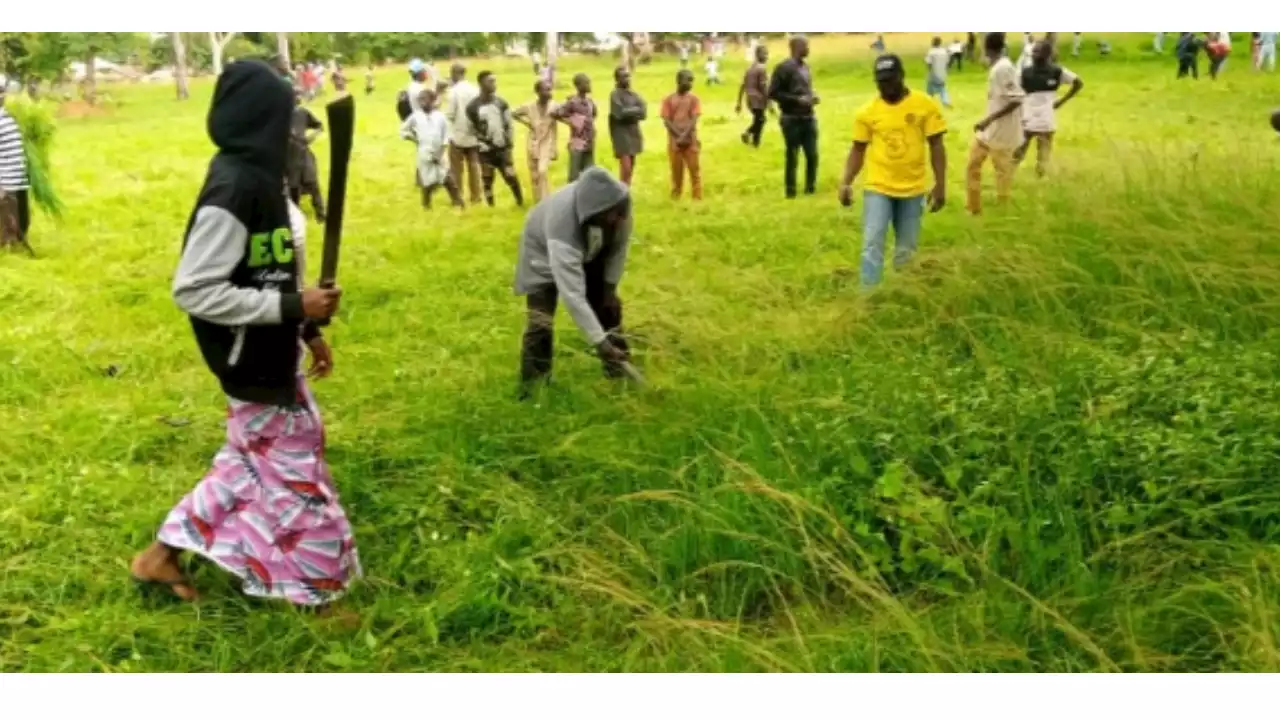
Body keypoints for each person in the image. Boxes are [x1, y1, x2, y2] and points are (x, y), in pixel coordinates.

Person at [131, 59, 359, 606]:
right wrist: (290, 305)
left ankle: (158, 558)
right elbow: (193, 289)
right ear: (260, 121)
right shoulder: (233, 190)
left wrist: (306, 328)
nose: (292, 132)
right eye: (284, 120)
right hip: (247, 358)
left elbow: (274, 270)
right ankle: (314, 589)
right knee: (297, 473)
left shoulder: (263, 180)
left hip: (271, 352)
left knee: (246, 460)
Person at [513, 166, 634, 394]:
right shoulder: (563, 225)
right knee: (541, 320)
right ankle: (533, 386)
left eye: (620, 213)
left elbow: (618, 250)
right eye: (612, 215)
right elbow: (573, 296)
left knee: (608, 307)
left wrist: (609, 288)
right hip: (542, 251)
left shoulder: (620, 206)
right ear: (595, 211)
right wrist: (599, 343)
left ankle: (619, 374)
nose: (619, 219)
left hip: (590, 246)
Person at [839, 55, 946, 288]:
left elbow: (936, 145)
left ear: (901, 76)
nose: (886, 86)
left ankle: (902, 291)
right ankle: (869, 295)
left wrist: (940, 185)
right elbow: (858, 149)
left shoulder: (925, 105)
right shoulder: (867, 113)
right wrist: (846, 181)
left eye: (890, 80)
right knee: (872, 242)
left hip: (913, 188)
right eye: (881, 82)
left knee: (906, 249)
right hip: (879, 187)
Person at [966, 32, 1024, 215]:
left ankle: (1002, 210)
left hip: (1001, 131)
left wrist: (989, 119)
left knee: (1002, 172)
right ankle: (974, 208)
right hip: (989, 131)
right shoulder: (998, 67)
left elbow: (1017, 99)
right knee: (973, 165)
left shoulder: (1003, 69)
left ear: (986, 46)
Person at [1014, 41, 1083, 177]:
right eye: (1033, 51)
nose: (1033, 54)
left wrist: (1062, 101)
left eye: (1036, 51)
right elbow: (1015, 93)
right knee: (1019, 148)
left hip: (1047, 118)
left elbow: (1078, 83)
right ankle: (1008, 174)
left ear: (1047, 54)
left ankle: (1040, 176)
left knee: (1043, 152)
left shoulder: (1057, 71)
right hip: (1027, 116)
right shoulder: (1024, 72)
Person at [769, 35, 820, 198]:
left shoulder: (805, 67)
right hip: (791, 118)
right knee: (792, 155)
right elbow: (773, 92)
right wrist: (797, 100)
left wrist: (812, 97)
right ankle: (790, 191)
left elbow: (805, 89)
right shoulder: (783, 68)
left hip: (808, 117)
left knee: (812, 155)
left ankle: (810, 188)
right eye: (806, 46)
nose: (808, 49)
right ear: (796, 47)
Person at [466, 71, 524, 208]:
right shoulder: (472, 107)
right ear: (481, 84)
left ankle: (520, 201)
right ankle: (491, 205)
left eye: (494, 81)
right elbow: (471, 128)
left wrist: (509, 145)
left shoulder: (501, 103)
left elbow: (509, 125)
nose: (494, 84)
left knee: (510, 175)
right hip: (485, 150)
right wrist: (481, 142)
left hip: (503, 148)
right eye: (490, 81)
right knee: (487, 179)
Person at [401, 88, 463, 209]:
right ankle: (426, 205)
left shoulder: (440, 117)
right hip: (424, 152)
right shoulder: (416, 116)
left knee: (447, 178)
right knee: (426, 179)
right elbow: (404, 130)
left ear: (433, 100)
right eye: (420, 100)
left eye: (425, 99)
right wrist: (414, 139)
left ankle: (458, 202)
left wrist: (439, 153)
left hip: (439, 152)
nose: (422, 102)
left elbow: (447, 136)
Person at [513, 79, 560, 202]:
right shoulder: (529, 106)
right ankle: (538, 201)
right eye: (546, 89)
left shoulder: (554, 106)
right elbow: (514, 113)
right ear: (537, 92)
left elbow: (563, 117)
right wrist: (528, 123)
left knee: (542, 170)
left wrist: (555, 147)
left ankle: (546, 200)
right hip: (533, 142)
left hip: (547, 142)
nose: (550, 92)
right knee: (534, 174)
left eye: (550, 89)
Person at [661, 69, 703, 201]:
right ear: (679, 81)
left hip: (690, 141)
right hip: (675, 142)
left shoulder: (694, 99)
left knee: (694, 170)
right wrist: (679, 135)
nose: (691, 84)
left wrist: (684, 135)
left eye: (692, 81)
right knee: (676, 171)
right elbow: (667, 120)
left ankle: (697, 197)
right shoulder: (668, 99)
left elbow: (694, 119)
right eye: (688, 80)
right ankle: (676, 195)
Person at [0, 79, 31, 253]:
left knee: (15, 218)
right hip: (12, 178)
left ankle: (13, 243)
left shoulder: (7, 119)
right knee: (15, 217)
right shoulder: (13, 118)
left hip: (12, 179)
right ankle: (13, 243)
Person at [445, 62, 483, 206]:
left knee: (456, 168)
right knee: (474, 166)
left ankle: (458, 195)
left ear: (455, 74)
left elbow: (450, 113)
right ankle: (476, 195)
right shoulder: (475, 89)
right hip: (473, 134)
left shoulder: (454, 91)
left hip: (458, 135)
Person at [286, 88, 326, 222]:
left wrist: (310, 137)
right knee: (293, 187)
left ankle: (321, 214)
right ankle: (294, 217)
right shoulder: (279, 116)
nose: (298, 99)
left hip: (303, 153)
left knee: (312, 183)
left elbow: (320, 126)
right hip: (288, 157)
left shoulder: (302, 113)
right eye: (295, 96)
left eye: (299, 96)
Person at [554, 73, 598, 182]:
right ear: (578, 86)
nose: (589, 85)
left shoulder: (590, 102)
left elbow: (594, 115)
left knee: (589, 173)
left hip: (589, 141)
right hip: (577, 142)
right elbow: (556, 113)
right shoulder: (573, 102)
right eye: (586, 83)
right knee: (574, 175)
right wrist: (571, 122)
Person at [608, 67, 646, 186]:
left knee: (631, 167)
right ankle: (622, 191)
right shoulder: (615, 95)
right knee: (626, 168)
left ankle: (626, 191)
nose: (627, 79)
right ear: (617, 79)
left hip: (633, 134)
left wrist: (629, 111)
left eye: (628, 76)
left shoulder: (633, 95)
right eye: (624, 76)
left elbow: (644, 112)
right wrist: (636, 110)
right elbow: (619, 113)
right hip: (621, 135)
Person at [736, 43, 771, 147]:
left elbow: (742, 85)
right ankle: (748, 134)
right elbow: (763, 87)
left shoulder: (749, 68)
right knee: (760, 120)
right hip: (758, 100)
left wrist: (739, 102)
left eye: (767, 54)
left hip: (750, 100)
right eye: (765, 54)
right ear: (758, 54)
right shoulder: (761, 68)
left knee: (759, 120)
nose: (767, 57)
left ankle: (755, 142)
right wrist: (769, 102)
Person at [925, 37, 952, 108]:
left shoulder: (931, 52)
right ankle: (946, 101)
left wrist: (929, 71)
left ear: (933, 43)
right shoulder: (944, 51)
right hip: (942, 73)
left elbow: (929, 63)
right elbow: (947, 63)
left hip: (933, 73)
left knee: (929, 90)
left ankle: (928, 102)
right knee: (943, 89)